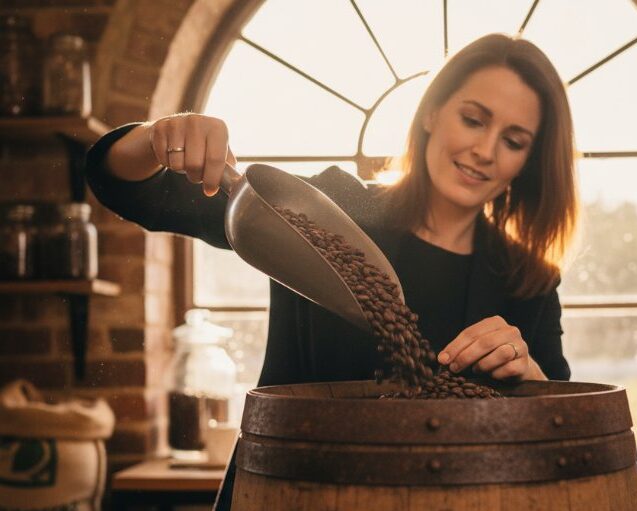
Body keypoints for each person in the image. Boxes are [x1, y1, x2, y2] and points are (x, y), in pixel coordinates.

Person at [86, 33, 578, 386]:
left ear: (528, 162)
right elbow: (136, 194)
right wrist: (156, 140)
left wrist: (528, 370)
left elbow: (563, 420)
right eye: (473, 120)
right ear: (431, 113)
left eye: (513, 141)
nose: (486, 150)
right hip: (298, 496)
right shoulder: (325, 211)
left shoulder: (527, 278)